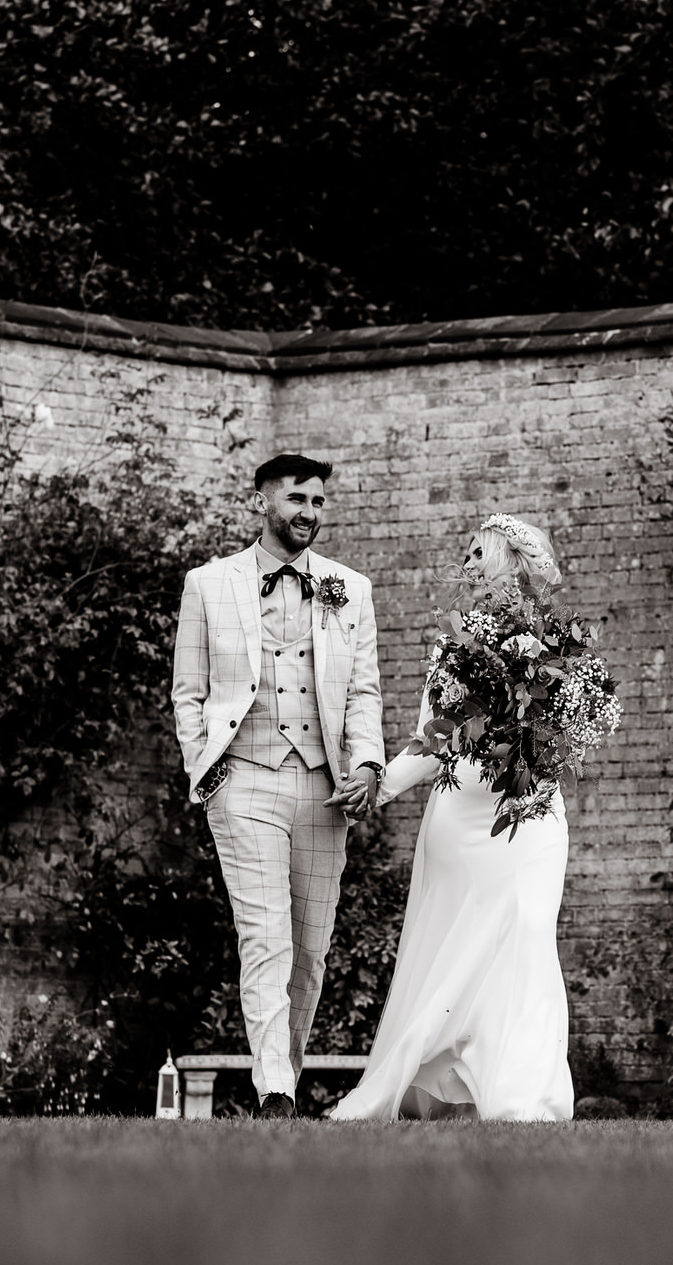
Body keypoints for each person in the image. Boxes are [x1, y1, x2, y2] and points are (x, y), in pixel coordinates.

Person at [330, 515, 576, 1122]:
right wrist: (376, 789)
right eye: (464, 555)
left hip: (530, 813)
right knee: (456, 952)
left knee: (526, 935)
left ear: (510, 563)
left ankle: (521, 1095)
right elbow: (431, 739)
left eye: (477, 554)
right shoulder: (454, 645)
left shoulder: (556, 643)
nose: (466, 564)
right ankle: (435, 1086)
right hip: (460, 816)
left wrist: (540, 740)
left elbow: (568, 730)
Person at [172, 452, 385, 1119]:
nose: (308, 513)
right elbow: (189, 692)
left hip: (324, 792)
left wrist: (369, 764)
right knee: (265, 938)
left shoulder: (350, 588)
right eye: (297, 499)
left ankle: (282, 1078)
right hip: (245, 783)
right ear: (263, 500)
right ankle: (275, 1091)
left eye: (319, 501)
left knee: (311, 951)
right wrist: (205, 767)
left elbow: (363, 691)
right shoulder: (208, 585)